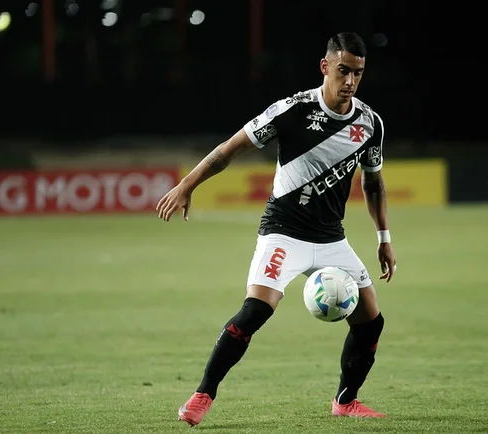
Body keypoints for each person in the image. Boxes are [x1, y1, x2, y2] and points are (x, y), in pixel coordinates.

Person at [156, 31, 397, 427]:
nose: (351, 81)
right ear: (325, 67)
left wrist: (383, 238)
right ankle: (202, 394)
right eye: (343, 71)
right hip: (283, 232)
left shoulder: (370, 123)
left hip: (332, 238)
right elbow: (230, 149)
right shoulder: (291, 110)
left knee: (372, 321)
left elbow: (373, 182)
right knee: (255, 311)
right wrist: (186, 185)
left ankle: (346, 400)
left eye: (358, 73)